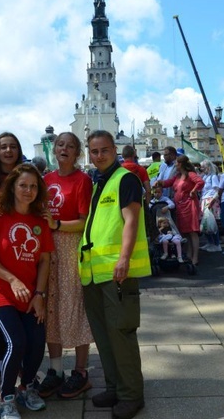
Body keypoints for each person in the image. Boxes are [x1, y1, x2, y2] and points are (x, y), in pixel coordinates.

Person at [79, 130, 150, 419]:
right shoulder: (100, 182)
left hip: (116, 271)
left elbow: (131, 220)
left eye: (104, 150)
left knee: (121, 334)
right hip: (94, 273)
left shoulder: (125, 179)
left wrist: (123, 259)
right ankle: (114, 387)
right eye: (94, 151)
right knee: (104, 335)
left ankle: (132, 395)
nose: (98, 156)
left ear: (114, 149)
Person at [0, 163, 53, 419]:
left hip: (30, 292)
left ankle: (27, 387)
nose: (28, 190)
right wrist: (12, 280)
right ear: (13, 187)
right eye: (23, 185)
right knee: (15, 341)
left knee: (36, 342)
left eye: (33, 186)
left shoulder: (40, 219)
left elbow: (44, 260)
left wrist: (40, 295)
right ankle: (6, 397)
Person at [37, 132, 95, 400]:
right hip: (48, 248)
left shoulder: (82, 180)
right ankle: (56, 369)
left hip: (70, 246)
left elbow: (84, 221)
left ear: (77, 153)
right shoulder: (46, 179)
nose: (64, 149)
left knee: (75, 306)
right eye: (60, 144)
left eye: (70, 146)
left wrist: (57, 225)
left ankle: (81, 371)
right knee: (51, 307)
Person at [157, 155, 204, 268]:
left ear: (181, 164)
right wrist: (159, 183)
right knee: (184, 232)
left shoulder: (190, 174)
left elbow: (200, 182)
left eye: (177, 163)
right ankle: (188, 254)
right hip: (181, 206)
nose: (175, 165)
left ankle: (195, 257)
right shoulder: (177, 176)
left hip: (190, 205)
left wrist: (193, 191)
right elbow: (168, 182)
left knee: (192, 231)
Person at [198, 160, 222, 252]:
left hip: (210, 200)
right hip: (205, 200)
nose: (201, 169)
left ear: (208, 167)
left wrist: (212, 201)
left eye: (202, 167)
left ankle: (216, 244)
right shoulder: (205, 177)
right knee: (206, 223)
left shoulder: (213, 177)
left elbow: (217, 190)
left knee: (212, 223)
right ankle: (210, 242)